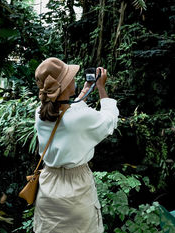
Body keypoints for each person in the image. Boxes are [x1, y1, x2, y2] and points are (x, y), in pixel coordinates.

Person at [33, 57, 119, 233]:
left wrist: (84, 92)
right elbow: (110, 120)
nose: (74, 79)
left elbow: (67, 112)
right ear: (63, 86)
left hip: (48, 189)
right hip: (76, 191)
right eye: (70, 77)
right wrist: (101, 87)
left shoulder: (40, 112)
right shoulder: (80, 117)